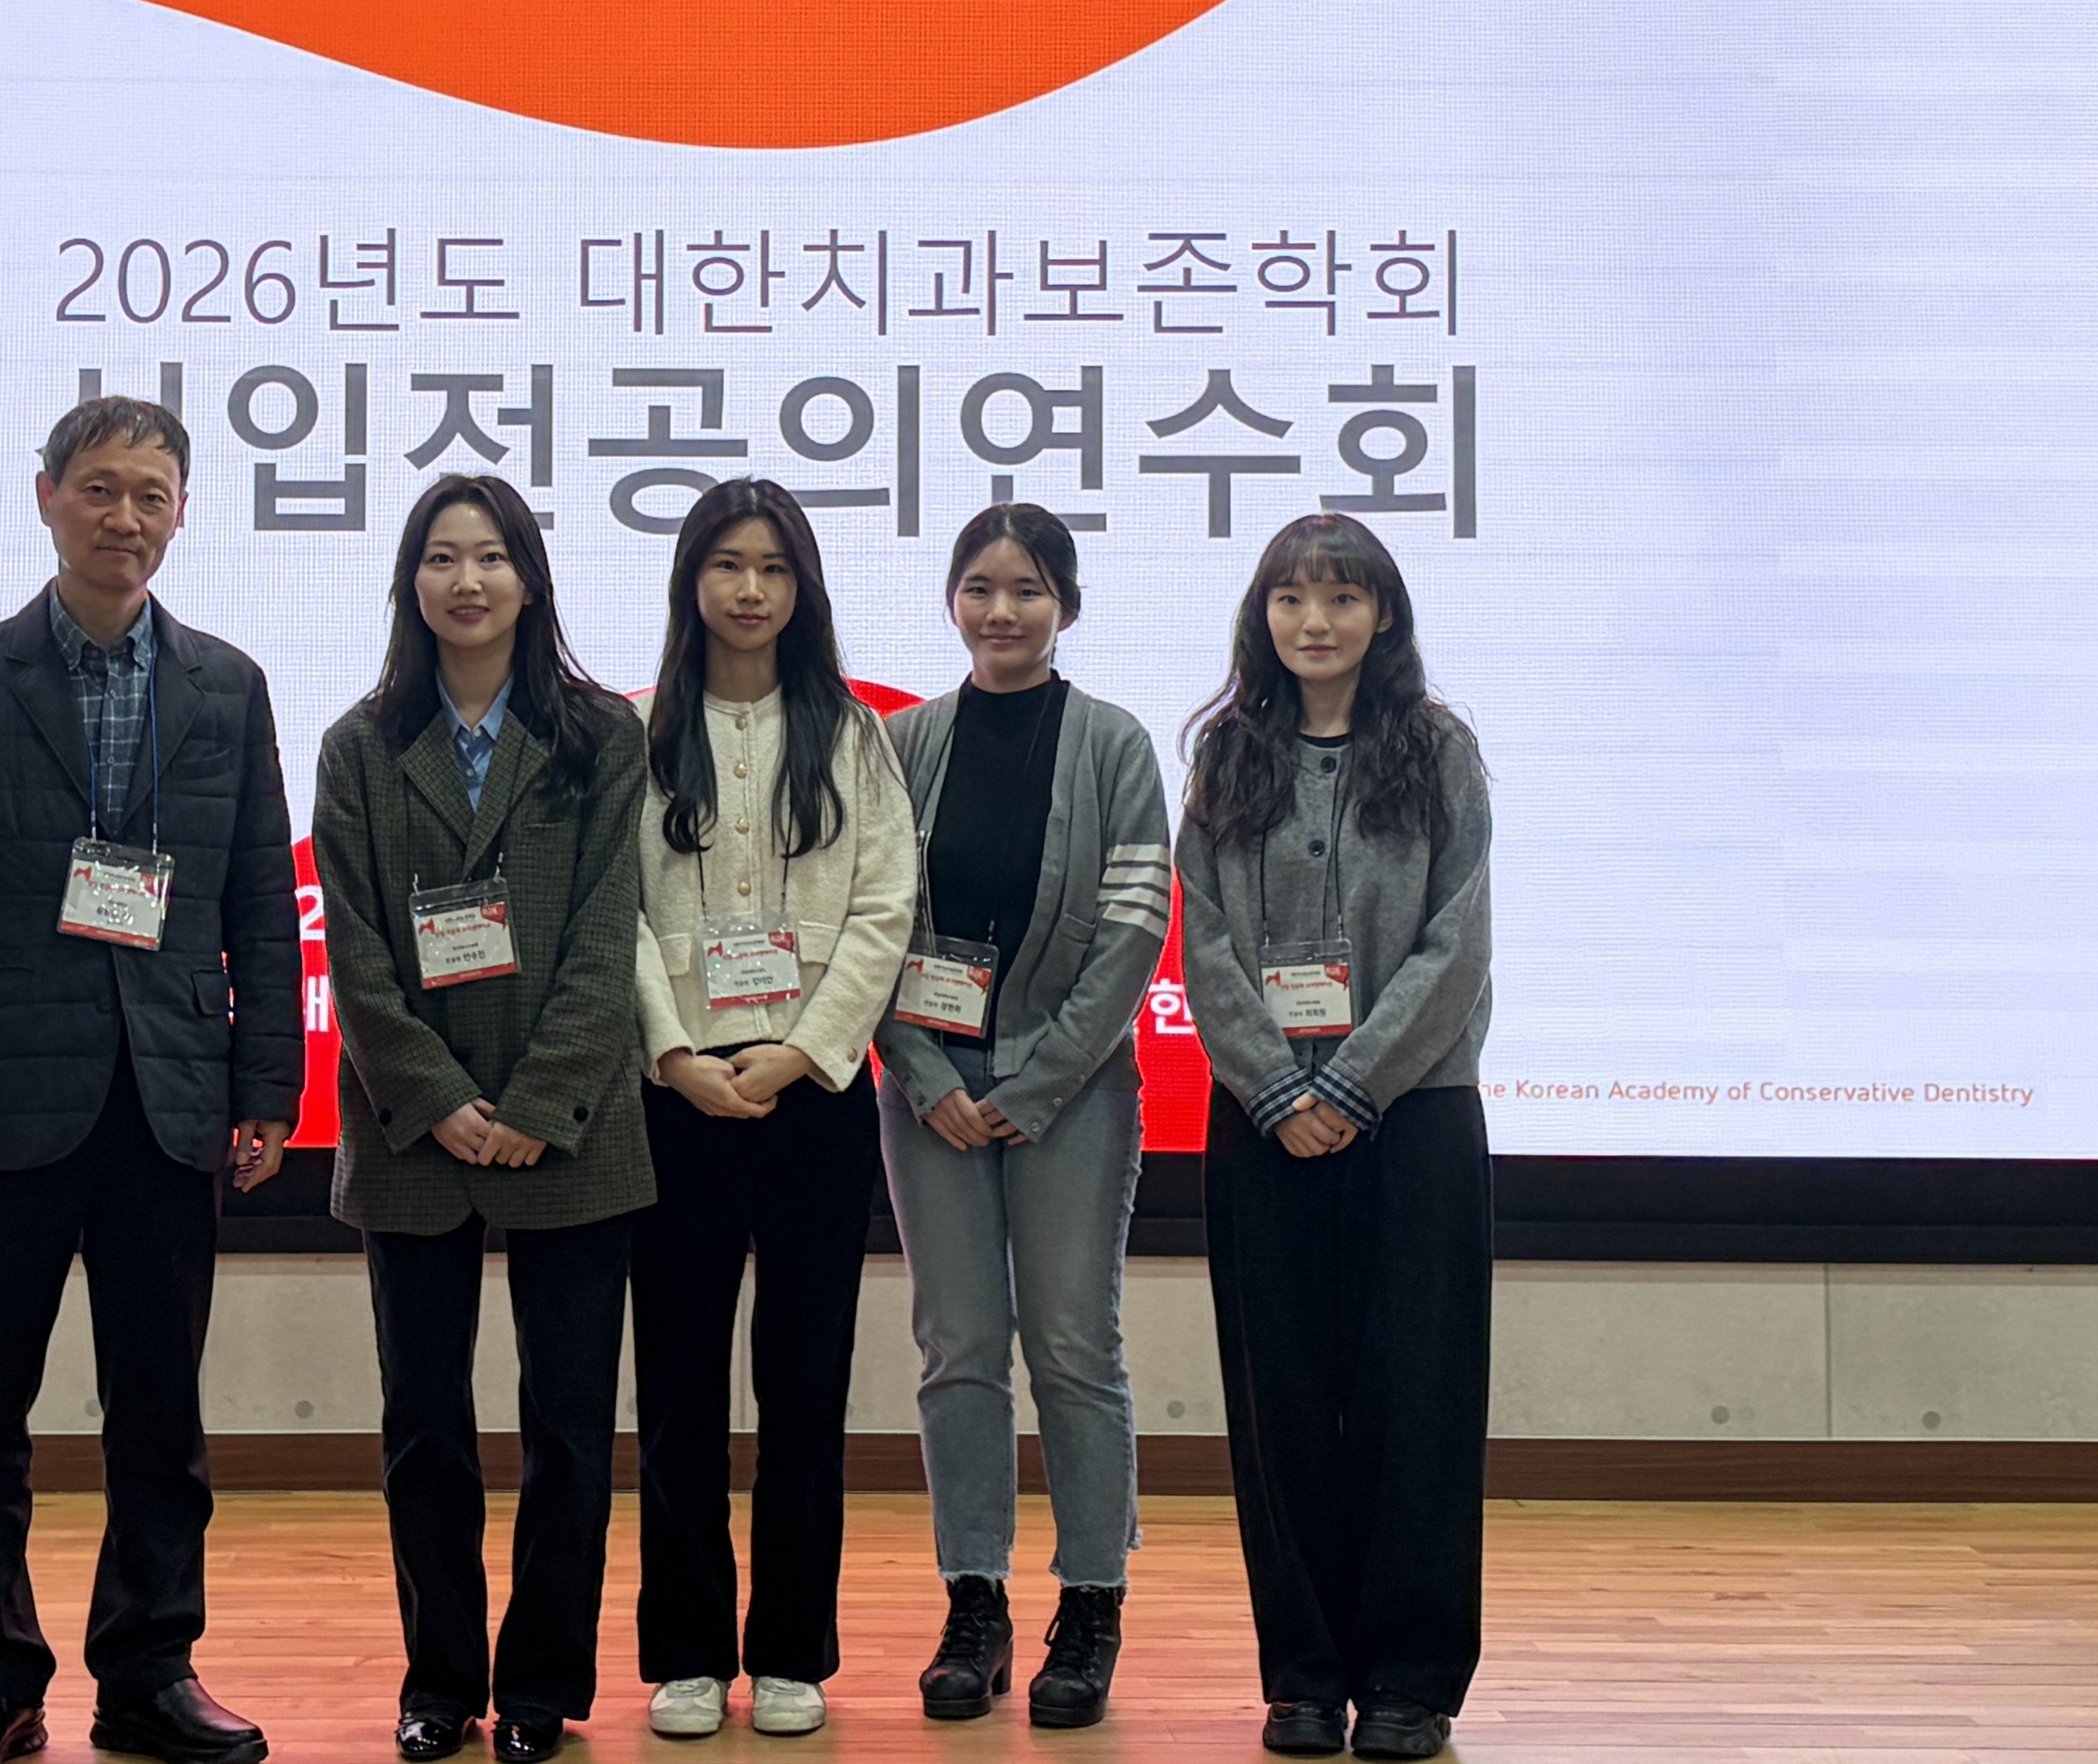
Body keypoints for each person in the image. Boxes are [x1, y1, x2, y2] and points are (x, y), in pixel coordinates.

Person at [0, 396, 301, 1764]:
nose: (126, 517)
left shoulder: (227, 684)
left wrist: (267, 1085)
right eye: (101, 488)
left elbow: (252, 902)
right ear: (45, 494)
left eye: (153, 494)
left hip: (168, 1101)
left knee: (161, 1419)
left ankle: (148, 1668)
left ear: (183, 512)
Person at [312, 474, 652, 1764]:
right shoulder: (359, 742)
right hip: (414, 1139)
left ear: (528, 579)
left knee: (567, 1430)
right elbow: (353, 952)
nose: (467, 581)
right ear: (411, 581)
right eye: (441, 558)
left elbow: (606, 934)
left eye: (491, 557)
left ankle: (542, 1690)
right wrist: (443, 1101)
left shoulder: (597, 735)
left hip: (569, 1130)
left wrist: (532, 1101)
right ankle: (439, 1680)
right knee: (425, 1430)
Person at [1174, 514, 1494, 1763]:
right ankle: (1303, 1675)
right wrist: (1275, 1087)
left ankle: (1412, 1681)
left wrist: (1351, 1084)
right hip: (1261, 1123)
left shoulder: (1435, 749)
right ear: (1262, 618)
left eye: (1342, 599)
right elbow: (1201, 941)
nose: (1315, 622)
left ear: (1383, 617)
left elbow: (1454, 942)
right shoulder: (1227, 755)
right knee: (1283, 1400)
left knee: (1417, 1396)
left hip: (1412, 1117)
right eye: (1291, 599)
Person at [873, 503, 1173, 1730]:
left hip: (1073, 1092)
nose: (1004, 610)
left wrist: (1038, 1078)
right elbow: (865, 927)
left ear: (1067, 605)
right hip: (926, 1092)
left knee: (1071, 1347)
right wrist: (927, 1074)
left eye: (1030, 588)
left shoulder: (1114, 743)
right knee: (955, 1348)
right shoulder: (897, 745)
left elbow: (1134, 927)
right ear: (952, 599)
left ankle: (1090, 1603)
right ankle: (974, 1600)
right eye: (981, 587)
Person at [627, 478, 917, 1740]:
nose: (749, 591)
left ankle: (792, 1645)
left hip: (810, 1101)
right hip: (678, 1097)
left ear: (803, 589)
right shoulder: (636, 730)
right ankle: (687, 1650)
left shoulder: (851, 733)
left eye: (773, 568)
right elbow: (615, 913)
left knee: (805, 1384)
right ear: (692, 582)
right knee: (679, 1386)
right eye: (727, 565)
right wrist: (677, 1050)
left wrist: (799, 1053)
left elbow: (883, 907)